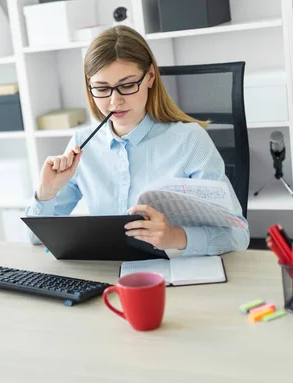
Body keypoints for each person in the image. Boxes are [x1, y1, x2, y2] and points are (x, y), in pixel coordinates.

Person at [24, 25, 249, 256]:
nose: (115, 102)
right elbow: (35, 238)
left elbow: (239, 235)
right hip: (107, 277)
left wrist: (175, 236)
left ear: (150, 76)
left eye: (128, 85)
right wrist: (46, 192)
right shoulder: (82, 144)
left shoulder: (189, 140)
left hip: (171, 279)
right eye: (102, 88)